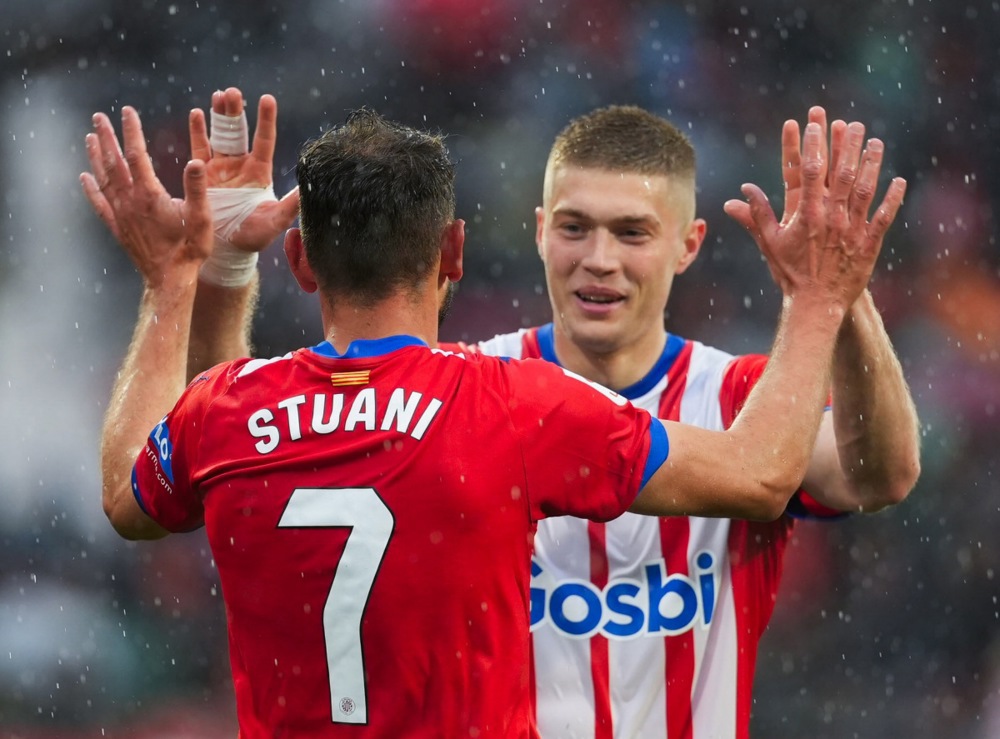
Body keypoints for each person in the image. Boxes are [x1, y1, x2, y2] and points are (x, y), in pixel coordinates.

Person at [81, 91, 902, 737]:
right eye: (576, 227)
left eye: (630, 232)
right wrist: (821, 293)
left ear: (298, 258)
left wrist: (192, 272)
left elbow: (165, 472)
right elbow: (761, 473)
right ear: (457, 252)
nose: (600, 259)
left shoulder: (236, 409)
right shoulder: (502, 401)